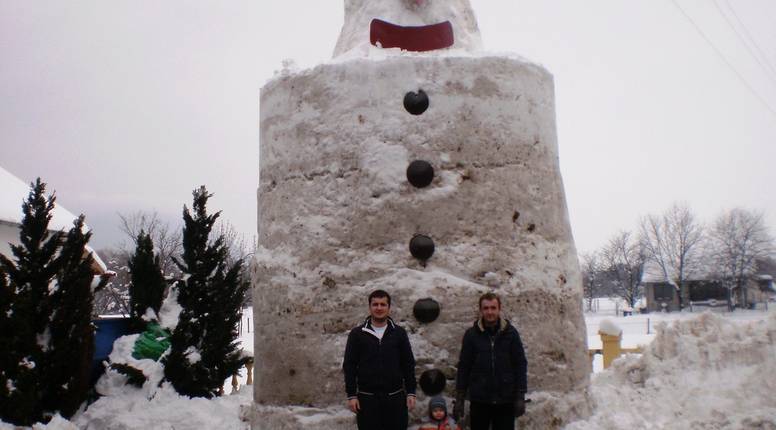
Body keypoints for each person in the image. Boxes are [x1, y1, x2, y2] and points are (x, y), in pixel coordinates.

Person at [343, 289, 417, 430]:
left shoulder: (399, 333)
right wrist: (351, 395)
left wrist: (411, 392)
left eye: (383, 304)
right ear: (369, 307)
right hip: (367, 400)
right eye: (375, 304)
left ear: (389, 307)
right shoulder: (357, 334)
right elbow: (349, 365)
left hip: (395, 398)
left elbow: (408, 363)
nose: (379, 308)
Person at [453, 292, 528, 430]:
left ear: (499, 309)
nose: (490, 312)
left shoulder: (511, 333)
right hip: (480, 400)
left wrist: (520, 395)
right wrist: (460, 397)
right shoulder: (471, 335)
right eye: (486, 308)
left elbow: (520, 364)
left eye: (493, 308)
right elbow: (464, 366)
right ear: (481, 310)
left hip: (505, 399)